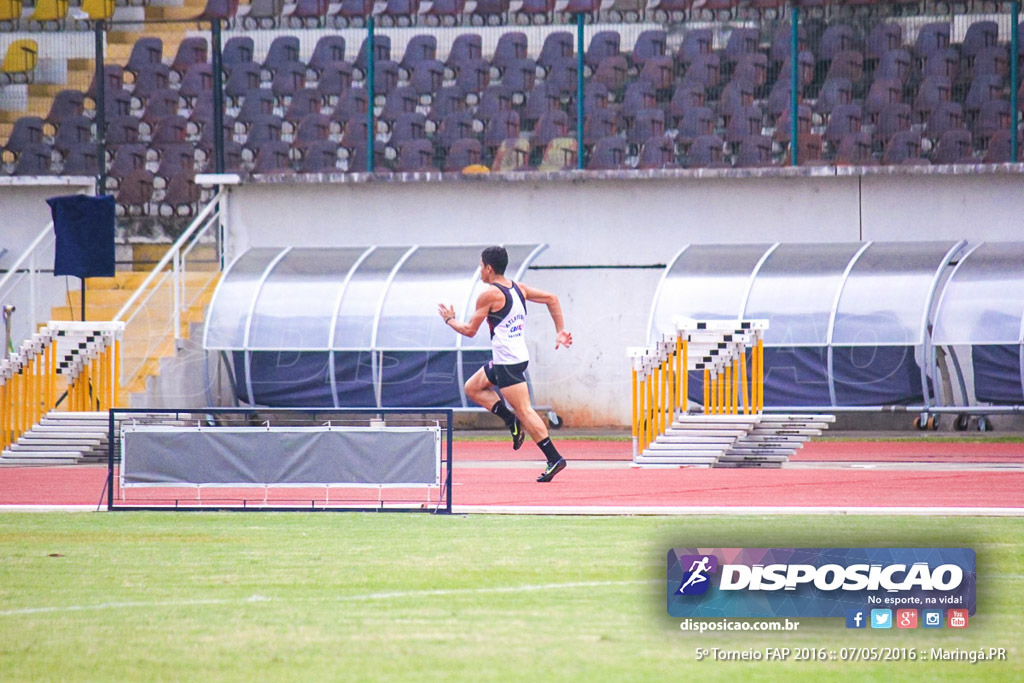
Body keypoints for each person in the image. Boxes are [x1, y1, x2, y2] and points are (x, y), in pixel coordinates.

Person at [438, 246, 573, 483]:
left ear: (489, 268)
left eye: (481, 266)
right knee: (472, 388)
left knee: (525, 410)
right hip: (512, 358)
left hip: (508, 362)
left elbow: (469, 331)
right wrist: (560, 330)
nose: (480, 270)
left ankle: (554, 458)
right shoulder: (517, 287)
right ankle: (510, 420)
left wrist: (449, 320)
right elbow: (552, 298)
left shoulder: (489, 294)